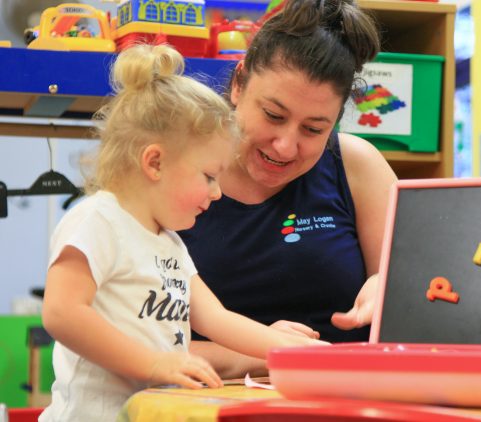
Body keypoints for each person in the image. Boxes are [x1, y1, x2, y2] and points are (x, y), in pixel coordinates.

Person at [39, 44, 325, 422]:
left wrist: (297, 353)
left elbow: (217, 319)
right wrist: (153, 364)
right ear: (154, 162)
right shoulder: (97, 220)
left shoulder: (169, 243)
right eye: (208, 176)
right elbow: (61, 313)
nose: (217, 192)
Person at [179, 0, 398, 378]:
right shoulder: (176, 173)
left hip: (347, 398)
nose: (285, 146)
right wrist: (267, 350)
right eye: (273, 116)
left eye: (313, 129)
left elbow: (422, 293)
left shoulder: (358, 166)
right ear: (238, 83)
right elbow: (133, 342)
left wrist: (388, 289)